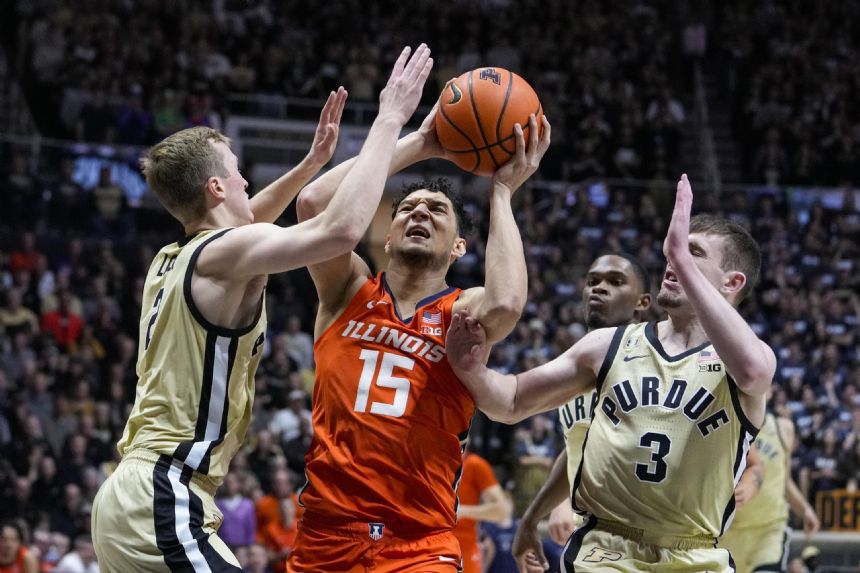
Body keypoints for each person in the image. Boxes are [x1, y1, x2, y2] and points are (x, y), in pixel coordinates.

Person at [91, 43, 434, 572]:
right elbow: (340, 230)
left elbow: (247, 220)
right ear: (215, 186)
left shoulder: (173, 256)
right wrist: (391, 121)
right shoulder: (222, 255)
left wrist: (311, 165)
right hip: (164, 493)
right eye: (236, 171)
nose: (246, 180)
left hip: (130, 497)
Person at [447, 174, 776, 573]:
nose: (674, 262)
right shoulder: (610, 345)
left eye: (693, 255)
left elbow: (754, 372)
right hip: (606, 549)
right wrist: (472, 369)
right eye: (674, 255)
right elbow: (514, 400)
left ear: (732, 283)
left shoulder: (750, 359)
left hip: (696, 554)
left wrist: (681, 256)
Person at [287, 81, 551, 570]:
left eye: (437, 210)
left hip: (419, 542)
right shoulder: (348, 290)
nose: (419, 213)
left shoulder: (461, 310)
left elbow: (509, 301)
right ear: (386, 237)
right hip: (325, 534)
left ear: (458, 248)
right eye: (407, 208)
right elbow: (313, 205)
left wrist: (502, 192)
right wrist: (422, 143)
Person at [512, 254, 652, 554]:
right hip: (595, 538)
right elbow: (578, 445)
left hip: (649, 536)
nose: (599, 288)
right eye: (592, 281)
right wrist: (545, 510)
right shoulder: (573, 364)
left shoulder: (655, 358)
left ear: (642, 302)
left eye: (615, 282)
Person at [719, 411, 820, 573]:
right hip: (726, 533)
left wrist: (805, 509)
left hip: (769, 530)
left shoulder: (783, 428)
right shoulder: (723, 422)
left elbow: (785, 480)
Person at [454, 447, 511, 573]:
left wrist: (461, 510)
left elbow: (502, 510)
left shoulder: (474, 464)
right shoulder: (424, 463)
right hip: (429, 548)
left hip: (464, 551)